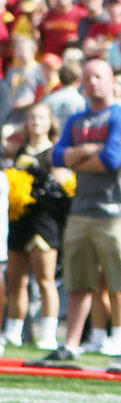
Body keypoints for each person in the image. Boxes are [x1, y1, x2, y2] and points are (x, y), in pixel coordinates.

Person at [41, 59, 121, 371]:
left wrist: (77, 156)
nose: (93, 82)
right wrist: (89, 150)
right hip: (82, 210)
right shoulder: (76, 120)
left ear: (111, 80)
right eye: (87, 77)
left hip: (118, 211)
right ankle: (70, 345)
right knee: (78, 283)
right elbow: (56, 156)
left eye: (99, 76)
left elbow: (111, 160)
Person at [3, 104, 65, 352]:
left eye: (40, 117)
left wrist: (39, 175)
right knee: (16, 280)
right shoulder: (20, 151)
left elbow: (62, 185)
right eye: (31, 118)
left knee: (45, 280)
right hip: (20, 221)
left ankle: (49, 333)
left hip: (44, 222)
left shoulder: (55, 152)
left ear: (50, 122)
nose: (35, 122)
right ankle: (13, 331)